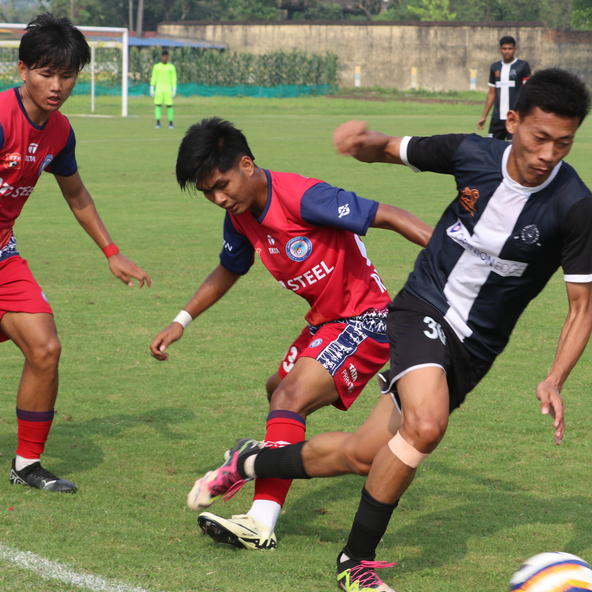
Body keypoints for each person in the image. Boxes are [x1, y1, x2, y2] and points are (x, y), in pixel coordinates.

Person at [192, 68, 592, 592]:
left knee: (364, 453)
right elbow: (393, 149)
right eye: (540, 138)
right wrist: (360, 143)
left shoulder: (575, 205)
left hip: (476, 346)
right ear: (513, 121)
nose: (547, 154)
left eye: (563, 143)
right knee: (426, 427)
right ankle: (354, 565)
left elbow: (582, 306)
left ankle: (251, 461)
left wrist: (555, 377)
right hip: (423, 305)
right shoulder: (471, 154)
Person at [149, 117, 432, 550]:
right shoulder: (241, 216)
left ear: (246, 164)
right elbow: (230, 267)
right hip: (325, 323)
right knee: (277, 389)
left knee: (289, 399)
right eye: (208, 193)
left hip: (366, 319)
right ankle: (263, 455)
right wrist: (180, 320)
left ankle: (260, 521)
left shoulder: (303, 197)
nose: (219, 198)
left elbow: (387, 214)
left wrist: (453, 257)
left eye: (222, 184)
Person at [1, 13, 151, 493]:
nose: (57, 85)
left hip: (3, 254)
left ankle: (27, 465)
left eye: (67, 75)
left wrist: (112, 251)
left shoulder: (60, 131)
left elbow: (77, 194)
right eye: (46, 73)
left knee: (45, 347)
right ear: (22, 70)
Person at [477, 35, 531, 140]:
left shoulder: (522, 66)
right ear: (500, 49)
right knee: (492, 149)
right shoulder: (495, 67)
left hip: (514, 117)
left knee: (513, 150)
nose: (507, 51)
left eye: (510, 49)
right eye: (504, 49)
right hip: (497, 118)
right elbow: (492, 92)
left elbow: (527, 91)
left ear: (515, 49)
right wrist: (484, 116)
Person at [150, 49, 177, 130]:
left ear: (168, 57)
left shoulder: (171, 67)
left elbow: (173, 78)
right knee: (158, 105)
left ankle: (171, 123)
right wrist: (152, 87)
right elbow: (154, 77)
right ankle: (158, 123)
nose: (165, 58)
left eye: (166, 56)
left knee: (169, 106)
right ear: (161, 57)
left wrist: (174, 88)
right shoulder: (157, 67)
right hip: (159, 89)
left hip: (168, 90)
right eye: (164, 56)